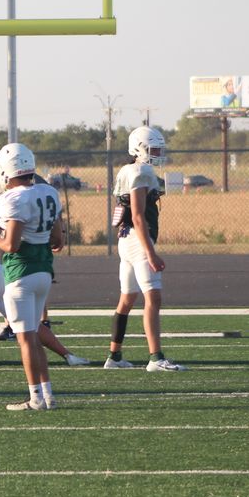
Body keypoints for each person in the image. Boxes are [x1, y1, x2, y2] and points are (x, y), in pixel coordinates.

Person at [0, 143, 64, 411]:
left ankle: (34, 399)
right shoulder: (49, 192)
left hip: (20, 273)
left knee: (25, 339)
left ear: (7, 170)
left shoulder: (11, 199)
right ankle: (48, 395)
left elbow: (12, 245)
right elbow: (57, 239)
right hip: (43, 272)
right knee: (32, 336)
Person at [105, 126, 185, 372]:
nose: (158, 153)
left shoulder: (128, 169)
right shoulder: (140, 170)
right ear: (139, 148)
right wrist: (151, 252)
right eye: (154, 148)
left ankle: (114, 357)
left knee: (127, 298)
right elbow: (139, 216)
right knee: (153, 297)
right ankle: (155, 358)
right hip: (139, 240)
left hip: (126, 239)